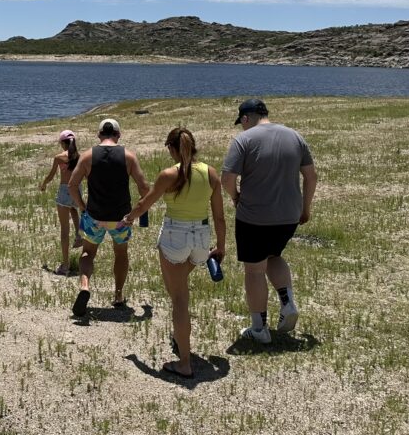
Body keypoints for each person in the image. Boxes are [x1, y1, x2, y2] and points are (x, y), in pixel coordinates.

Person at [119, 127, 226, 378]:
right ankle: (181, 337)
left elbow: (146, 202)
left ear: (172, 148)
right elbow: (219, 217)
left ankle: (184, 362)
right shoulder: (210, 173)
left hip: (174, 236)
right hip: (201, 237)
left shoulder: (169, 174)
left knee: (179, 298)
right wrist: (221, 246)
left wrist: (129, 218)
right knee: (180, 287)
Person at [221, 99, 317, 344]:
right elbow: (311, 176)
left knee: (254, 270)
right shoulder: (295, 136)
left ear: (245, 118)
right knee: (274, 255)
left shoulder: (244, 140)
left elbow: (227, 179)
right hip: (288, 217)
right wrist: (305, 208)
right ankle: (288, 302)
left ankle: (259, 329)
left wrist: (235, 197)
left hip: (254, 218)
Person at [68, 118, 149, 316]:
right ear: (118, 135)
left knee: (88, 253)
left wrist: (82, 206)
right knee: (120, 254)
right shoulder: (129, 157)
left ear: (99, 135)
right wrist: (140, 209)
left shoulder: (87, 156)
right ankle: (119, 295)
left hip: (94, 215)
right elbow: (144, 187)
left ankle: (85, 286)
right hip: (121, 218)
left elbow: (72, 184)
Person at [38, 130, 85, 275]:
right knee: (74, 209)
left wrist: (44, 184)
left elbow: (52, 175)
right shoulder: (80, 157)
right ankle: (78, 235)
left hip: (65, 190)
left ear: (63, 143)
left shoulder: (59, 158)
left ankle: (66, 265)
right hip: (77, 188)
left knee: (64, 230)